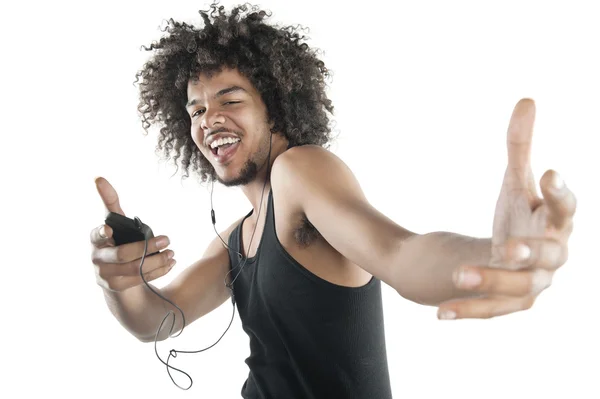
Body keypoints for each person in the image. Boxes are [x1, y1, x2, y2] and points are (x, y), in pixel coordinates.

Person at [89, 3, 577, 398]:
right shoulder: (236, 238)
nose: (208, 119)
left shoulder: (301, 171)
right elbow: (157, 319)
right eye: (196, 109)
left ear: (275, 106)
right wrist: (119, 283)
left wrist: (494, 255)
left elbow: (400, 253)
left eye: (230, 99)